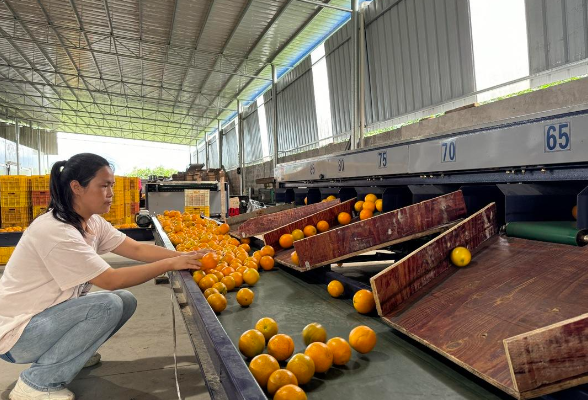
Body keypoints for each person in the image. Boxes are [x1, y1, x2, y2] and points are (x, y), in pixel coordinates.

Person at [0, 153, 204, 400]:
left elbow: (137, 248)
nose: (110, 193)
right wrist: (171, 263)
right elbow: (110, 280)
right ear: (77, 187)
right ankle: (36, 384)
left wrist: (185, 255)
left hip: (45, 319)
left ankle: (70, 357)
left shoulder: (92, 222)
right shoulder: (56, 231)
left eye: (112, 186)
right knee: (106, 305)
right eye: (104, 186)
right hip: (18, 335)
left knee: (125, 300)